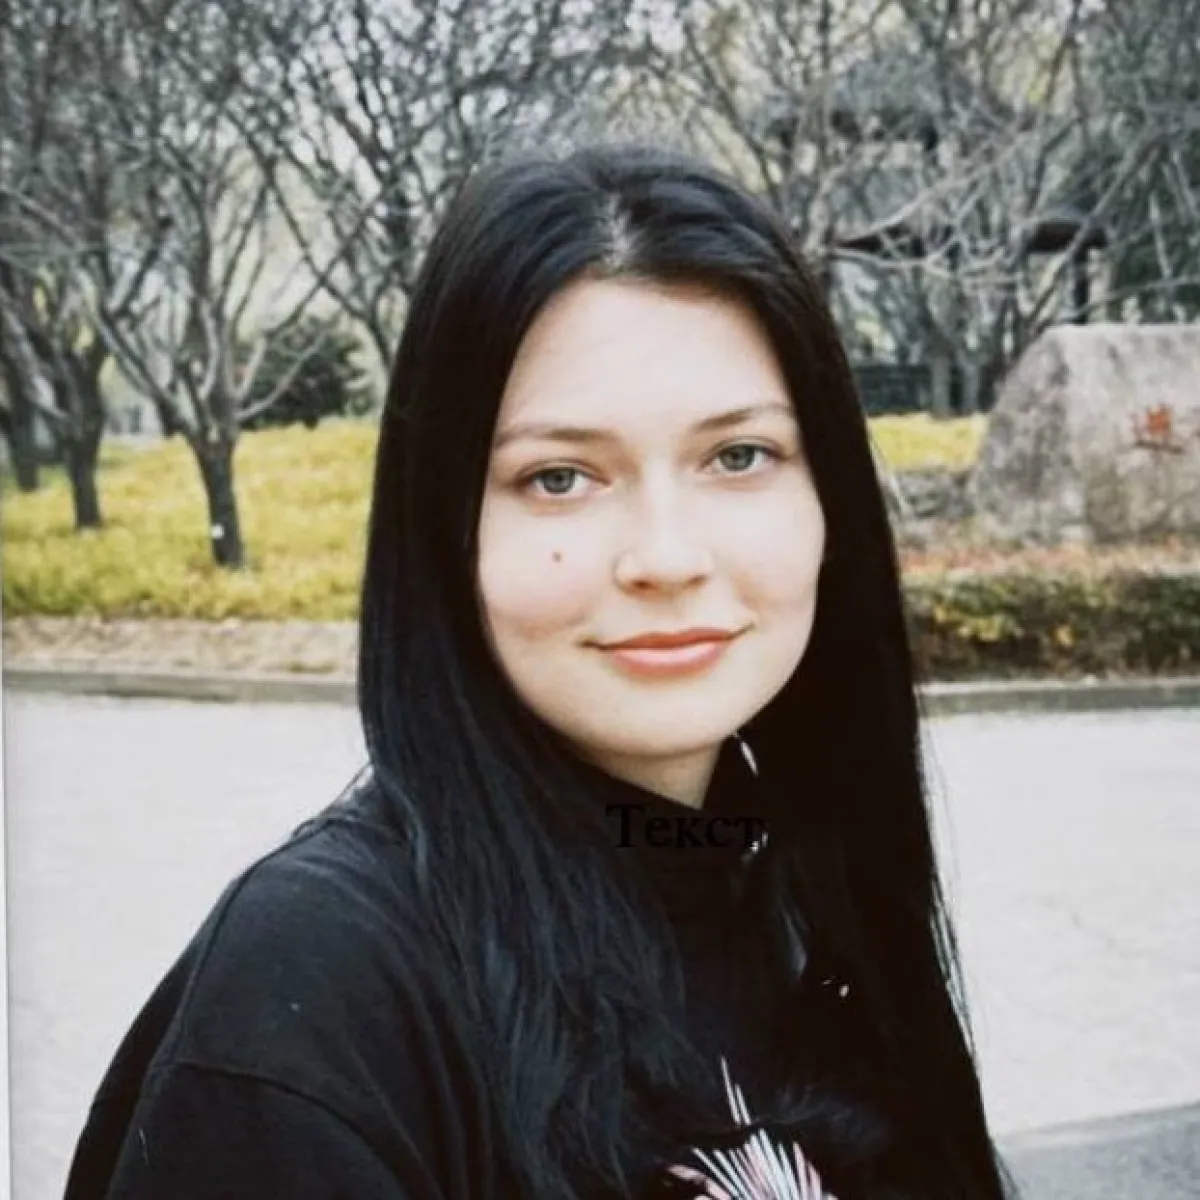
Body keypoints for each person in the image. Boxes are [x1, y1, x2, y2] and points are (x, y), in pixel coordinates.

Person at [64, 140, 1017, 1199]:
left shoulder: (803, 895)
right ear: (446, 531)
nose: (666, 557)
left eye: (738, 456)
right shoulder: (323, 994)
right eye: (560, 477)